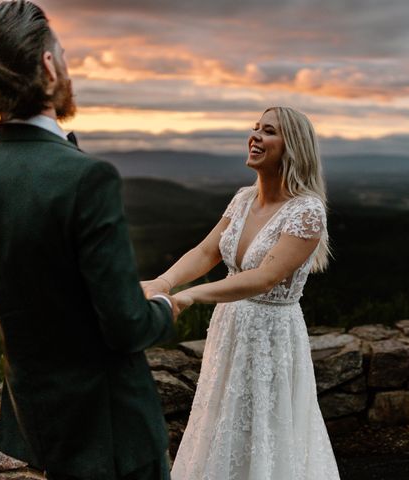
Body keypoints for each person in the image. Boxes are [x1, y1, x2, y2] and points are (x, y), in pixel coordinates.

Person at [0, 2, 178, 479]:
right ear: (49, 64)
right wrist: (165, 309)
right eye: (62, 55)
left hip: (36, 419)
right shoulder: (87, 176)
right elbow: (127, 327)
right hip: (113, 430)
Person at [143, 106, 341, 479]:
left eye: (268, 131)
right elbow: (206, 252)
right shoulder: (242, 199)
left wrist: (188, 297)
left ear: (293, 147)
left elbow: (265, 277)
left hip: (272, 335)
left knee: (267, 428)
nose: (255, 136)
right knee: (221, 421)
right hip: (229, 327)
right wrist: (163, 283)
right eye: (255, 129)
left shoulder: (307, 211)